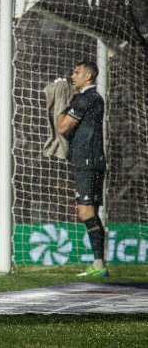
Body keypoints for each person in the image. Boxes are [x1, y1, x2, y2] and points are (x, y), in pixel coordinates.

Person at [57, 61, 108, 277]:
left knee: (86, 211)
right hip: (87, 161)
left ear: (88, 76)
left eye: (76, 72)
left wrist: (59, 103)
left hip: (89, 162)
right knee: (86, 211)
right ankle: (99, 263)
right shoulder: (89, 99)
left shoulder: (87, 98)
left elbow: (62, 126)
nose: (72, 76)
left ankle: (99, 264)